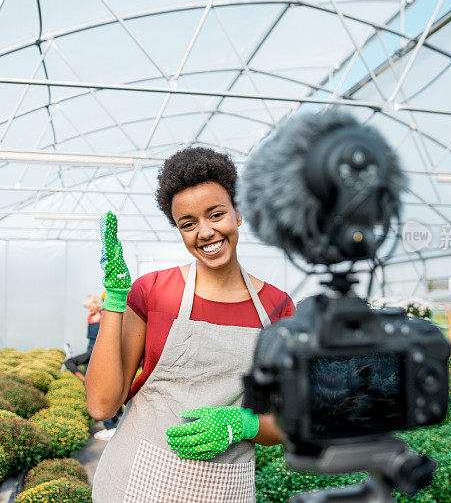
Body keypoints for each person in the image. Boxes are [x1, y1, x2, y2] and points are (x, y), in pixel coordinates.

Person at [85, 147, 295, 502]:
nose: (206, 232)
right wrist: (116, 299)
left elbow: (292, 420)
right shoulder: (152, 292)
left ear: (238, 213)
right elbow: (102, 406)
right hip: (136, 483)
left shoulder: (277, 308)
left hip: (225, 489)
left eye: (216, 214)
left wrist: (245, 424)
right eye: (188, 223)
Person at [64, 292, 122, 440]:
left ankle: (111, 426)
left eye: (89, 307)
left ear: (96, 305)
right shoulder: (90, 318)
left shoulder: (104, 316)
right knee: (94, 388)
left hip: (101, 351)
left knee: (105, 390)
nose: (88, 310)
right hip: (90, 351)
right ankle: (85, 380)